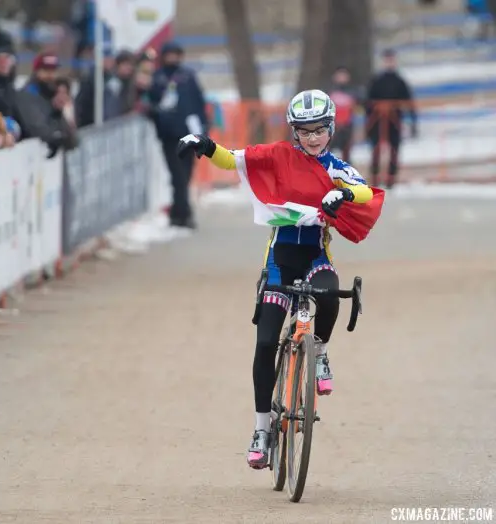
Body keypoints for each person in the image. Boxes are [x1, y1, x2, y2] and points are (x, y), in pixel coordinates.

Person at [176, 89, 375, 470]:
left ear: (330, 129)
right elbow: (234, 159)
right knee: (266, 341)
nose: (313, 137)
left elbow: (365, 191)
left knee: (331, 296)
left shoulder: (334, 166)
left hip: (316, 257)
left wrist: (342, 195)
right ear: (294, 132)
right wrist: (204, 144)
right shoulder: (278, 157)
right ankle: (261, 429)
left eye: (319, 130)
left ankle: (319, 349)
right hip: (280, 260)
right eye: (304, 130)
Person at [149, 41, 208, 229]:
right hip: (169, 136)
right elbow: (149, 103)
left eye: (176, 54)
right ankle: (184, 214)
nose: (173, 58)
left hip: (189, 135)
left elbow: (198, 103)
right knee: (178, 176)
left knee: (186, 175)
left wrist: (203, 129)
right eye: (169, 54)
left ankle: (177, 213)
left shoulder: (188, 77)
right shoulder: (157, 78)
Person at [365, 49, 417, 189]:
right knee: (376, 149)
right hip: (377, 121)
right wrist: (368, 123)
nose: (389, 62)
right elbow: (368, 102)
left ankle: (391, 180)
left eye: (391, 60)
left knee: (394, 149)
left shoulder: (400, 81)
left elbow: (409, 102)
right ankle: (375, 178)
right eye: (387, 60)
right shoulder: (376, 81)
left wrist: (413, 122)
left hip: (394, 121)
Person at [327, 66, 361, 163]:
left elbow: (358, 107)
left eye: (344, 75)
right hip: (332, 126)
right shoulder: (329, 91)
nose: (341, 77)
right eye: (339, 75)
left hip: (347, 125)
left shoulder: (353, 92)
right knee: (329, 149)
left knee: (346, 150)